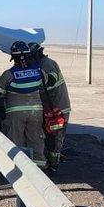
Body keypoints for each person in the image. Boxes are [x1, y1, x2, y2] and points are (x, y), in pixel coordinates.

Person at [0, 40, 47, 170]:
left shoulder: (8, 75)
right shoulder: (39, 72)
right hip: (36, 113)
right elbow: (45, 85)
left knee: (16, 140)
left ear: (13, 58)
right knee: (36, 139)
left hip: (15, 114)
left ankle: (17, 168)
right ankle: (39, 168)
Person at [28, 41, 70, 170]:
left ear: (36, 55)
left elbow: (50, 83)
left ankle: (53, 165)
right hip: (51, 108)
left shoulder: (47, 65)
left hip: (58, 109)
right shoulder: (42, 64)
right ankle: (52, 159)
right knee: (48, 136)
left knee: (55, 138)